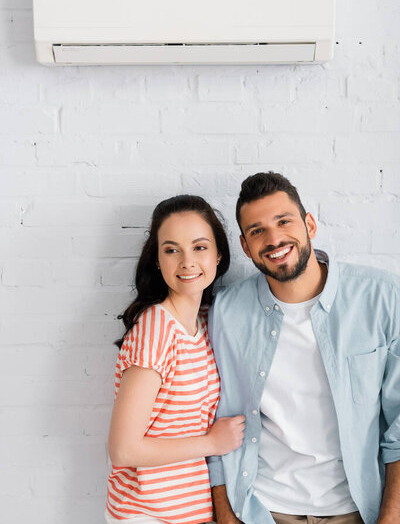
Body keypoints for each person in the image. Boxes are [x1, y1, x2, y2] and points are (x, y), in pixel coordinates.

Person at [207, 172, 400, 524]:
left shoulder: (382, 298)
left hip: (357, 509)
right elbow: (216, 416)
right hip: (263, 509)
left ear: (310, 224)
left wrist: (391, 517)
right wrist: (226, 514)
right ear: (245, 246)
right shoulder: (227, 311)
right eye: (257, 230)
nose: (274, 238)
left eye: (284, 221)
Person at [105, 195, 245, 524]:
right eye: (171, 250)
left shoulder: (209, 321)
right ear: (157, 260)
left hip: (191, 512)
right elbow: (123, 449)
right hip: (147, 514)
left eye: (199, 247)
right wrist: (211, 442)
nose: (187, 261)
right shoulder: (156, 327)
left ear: (218, 253)